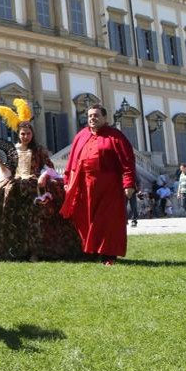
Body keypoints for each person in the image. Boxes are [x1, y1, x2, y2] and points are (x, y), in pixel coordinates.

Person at [0, 110, 81, 261]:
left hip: (35, 184)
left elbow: (49, 168)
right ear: (18, 135)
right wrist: (1, 164)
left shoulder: (38, 150)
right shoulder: (13, 151)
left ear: (32, 134)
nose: (25, 136)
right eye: (23, 134)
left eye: (28, 134)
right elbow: (9, 172)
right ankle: (6, 249)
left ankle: (37, 251)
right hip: (16, 183)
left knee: (36, 216)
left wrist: (44, 177)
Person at [59, 104, 136, 266]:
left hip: (109, 186)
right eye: (90, 116)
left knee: (107, 220)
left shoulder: (115, 136)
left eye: (96, 115)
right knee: (85, 219)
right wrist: (67, 181)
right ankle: (91, 251)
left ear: (105, 118)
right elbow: (72, 161)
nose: (92, 118)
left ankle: (109, 254)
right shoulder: (81, 136)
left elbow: (127, 162)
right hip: (84, 185)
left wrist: (128, 183)